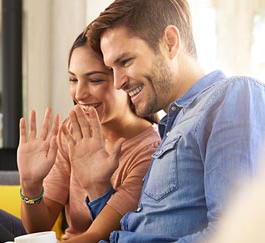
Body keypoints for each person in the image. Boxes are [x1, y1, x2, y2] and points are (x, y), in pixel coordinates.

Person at [0, 32, 161, 243]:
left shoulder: (149, 150)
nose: (79, 94)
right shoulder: (71, 131)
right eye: (73, 79)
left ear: (124, 81)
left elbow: (100, 236)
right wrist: (30, 183)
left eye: (95, 80)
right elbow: (38, 230)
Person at [80, 0, 265, 242]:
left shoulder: (233, 96)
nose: (118, 83)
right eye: (112, 69)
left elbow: (236, 234)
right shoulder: (171, 128)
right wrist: (98, 187)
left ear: (170, 42)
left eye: (125, 62)